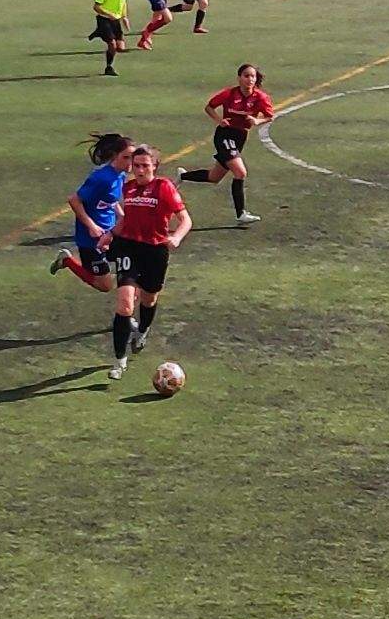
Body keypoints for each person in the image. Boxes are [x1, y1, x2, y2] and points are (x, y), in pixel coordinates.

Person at [105, 144, 192, 381]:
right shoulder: (129, 188)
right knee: (124, 304)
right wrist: (110, 234)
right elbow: (124, 223)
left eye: (145, 165)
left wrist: (176, 237)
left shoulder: (164, 187)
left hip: (155, 251)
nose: (140, 170)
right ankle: (119, 361)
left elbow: (185, 220)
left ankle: (142, 330)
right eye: (136, 166)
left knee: (149, 297)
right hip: (129, 248)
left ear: (155, 166)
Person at [179, 63, 271, 223]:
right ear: (239, 78)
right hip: (225, 135)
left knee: (214, 177)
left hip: (240, 137)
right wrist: (219, 120)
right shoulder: (229, 94)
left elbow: (270, 116)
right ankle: (240, 213)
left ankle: (182, 176)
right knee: (240, 172)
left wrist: (257, 120)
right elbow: (209, 107)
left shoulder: (260, 97)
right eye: (246, 76)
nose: (250, 79)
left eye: (253, 76)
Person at [51, 131, 133, 292]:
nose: (131, 162)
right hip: (91, 239)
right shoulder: (101, 178)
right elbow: (74, 200)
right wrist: (92, 226)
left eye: (133, 157)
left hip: (110, 232)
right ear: (114, 156)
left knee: (134, 257)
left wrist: (121, 215)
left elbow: (109, 199)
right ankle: (67, 261)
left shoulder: (120, 175)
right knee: (104, 286)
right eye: (126, 157)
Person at [89, 0, 130, 75]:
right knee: (112, 45)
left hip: (115, 20)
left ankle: (99, 32)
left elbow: (123, 2)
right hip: (104, 19)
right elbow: (96, 7)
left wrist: (124, 17)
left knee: (121, 47)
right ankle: (109, 67)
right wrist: (108, 14)